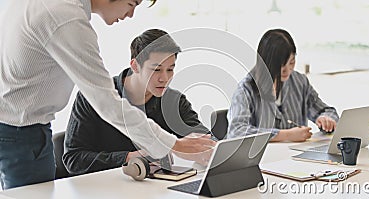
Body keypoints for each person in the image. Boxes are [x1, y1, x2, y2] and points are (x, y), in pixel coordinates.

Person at [0, 0, 215, 190]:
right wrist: (173, 144)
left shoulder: (51, 7)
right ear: (135, 66)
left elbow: (200, 136)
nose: (131, 15)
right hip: (21, 133)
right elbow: (109, 104)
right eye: (132, 3)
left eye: (170, 69)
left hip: (21, 129)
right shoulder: (66, 18)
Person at [63, 29, 211, 175]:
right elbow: (73, 159)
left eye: (170, 70)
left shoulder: (174, 100)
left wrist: (202, 147)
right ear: (135, 66)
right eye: (156, 70)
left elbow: (203, 139)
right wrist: (128, 157)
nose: (164, 78)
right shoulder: (94, 97)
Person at [227, 29, 339, 142]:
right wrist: (286, 135)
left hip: (294, 155)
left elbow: (327, 111)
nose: (287, 70)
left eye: (291, 62)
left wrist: (326, 119)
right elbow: (237, 132)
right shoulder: (246, 89)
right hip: (265, 158)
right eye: (280, 64)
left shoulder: (300, 82)